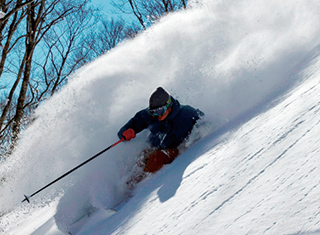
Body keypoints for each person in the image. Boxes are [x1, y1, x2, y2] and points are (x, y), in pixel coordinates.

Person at [118, 87, 204, 185]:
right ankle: (128, 185)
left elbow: (204, 122)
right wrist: (125, 132)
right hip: (157, 146)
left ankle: (140, 188)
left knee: (157, 157)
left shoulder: (186, 113)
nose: (157, 115)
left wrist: (196, 138)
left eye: (160, 111)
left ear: (169, 105)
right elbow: (130, 126)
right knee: (144, 154)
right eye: (153, 112)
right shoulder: (149, 115)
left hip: (177, 149)